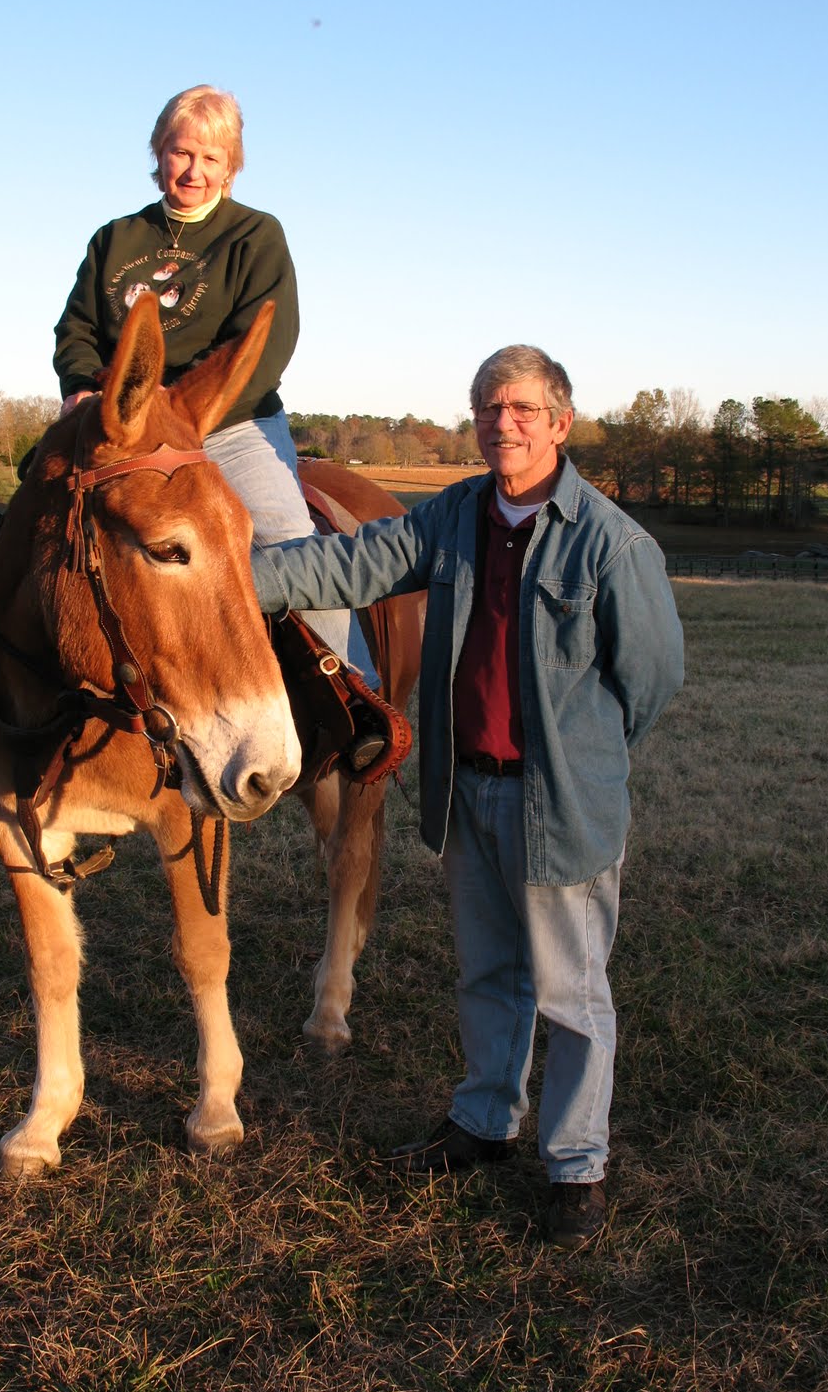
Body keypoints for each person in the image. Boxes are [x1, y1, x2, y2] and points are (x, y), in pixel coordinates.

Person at [249, 343, 684, 1249]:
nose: (505, 423)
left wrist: (584, 764)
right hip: (470, 792)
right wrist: (227, 579)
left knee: (571, 994)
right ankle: (486, 1122)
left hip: (560, 802)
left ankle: (575, 1168)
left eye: (523, 409)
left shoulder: (612, 543)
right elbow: (348, 566)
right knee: (488, 975)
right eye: (490, 408)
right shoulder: (453, 518)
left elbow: (651, 680)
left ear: (559, 423)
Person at [53, 82, 377, 691]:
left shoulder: (255, 236)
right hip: (122, 430)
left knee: (293, 545)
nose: (193, 170)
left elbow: (266, 343)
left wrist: (188, 410)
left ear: (231, 167)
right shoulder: (114, 239)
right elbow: (77, 329)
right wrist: (78, 388)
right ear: (159, 155)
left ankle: (353, 697)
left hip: (229, 425)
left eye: (210, 158)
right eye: (181, 153)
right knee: (30, 524)